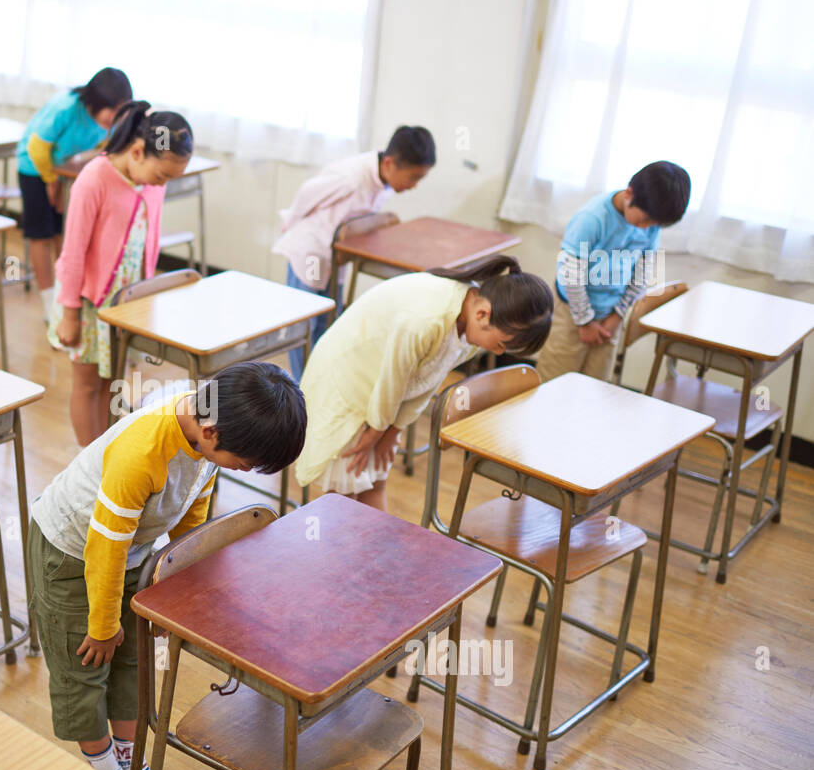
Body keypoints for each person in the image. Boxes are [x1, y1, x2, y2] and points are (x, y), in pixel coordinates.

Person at [28, 360, 307, 770]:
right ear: (214, 434)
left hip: (128, 551)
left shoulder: (207, 435)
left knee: (131, 658)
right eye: (248, 462)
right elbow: (103, 548)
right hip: (71, 553)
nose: (250, 470)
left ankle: (130, 762)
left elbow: (191, 515)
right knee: (84, 663)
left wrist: (170, 592)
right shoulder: (143, 450)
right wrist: (100, 625)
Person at [295, 256, 553, 512]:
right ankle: (341, 552)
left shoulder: (470, 323)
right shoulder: (425, 319)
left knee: (374, 484)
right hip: (347, 380)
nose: (498, 353)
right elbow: (392, 379)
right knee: (345, 495)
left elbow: (426, 380)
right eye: (501, 345)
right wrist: (376, 432)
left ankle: (378, 553)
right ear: (484, 314)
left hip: (380, 398)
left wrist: (393, 429)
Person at [49, 101, 193, 445]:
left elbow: (149, 239)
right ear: (138, 151)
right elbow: (72, 252)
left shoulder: (152, 183)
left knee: (110, 382)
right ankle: (89, 464)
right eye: (162, 176)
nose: (162, 185)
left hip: (126, 301)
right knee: (86, 385)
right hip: (87, 303)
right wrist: (69, 313)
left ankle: (105, 456)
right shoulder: (94, 180)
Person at [273, 125, 437, 381]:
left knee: (327, 322)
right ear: (390, 163)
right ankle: (301, 389)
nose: (414, 185)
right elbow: (306, 195)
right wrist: (290, 225)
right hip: (310, 250)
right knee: (302, 326)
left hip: (334, 255)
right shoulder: (351, 178)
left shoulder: (382, 181)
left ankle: (317, 384)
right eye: (414, 177)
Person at [535, 161, 691, 383]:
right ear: (629, 194)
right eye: (646, 220)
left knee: (596, 387)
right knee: (555, 380)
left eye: (655, 224)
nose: (647, 228)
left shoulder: (651, 225)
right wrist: (585, 322)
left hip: (611, 315)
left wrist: (618, 314)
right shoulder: (592, 218)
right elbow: (571, 274)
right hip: (572, 311)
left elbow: (642, 271)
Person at [16, 68, 133, 317]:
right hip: (35, 167)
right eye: (111, 111)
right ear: (95, 102)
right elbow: (37, 147)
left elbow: (106, 145)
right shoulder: (66, 107)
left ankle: (66, 294)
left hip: (62, 171)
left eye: (119, 113)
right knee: (41, 235)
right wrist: (50, 181)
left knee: (64, 233)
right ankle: (50, 304)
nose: (114, 119)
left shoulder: (112, 120)